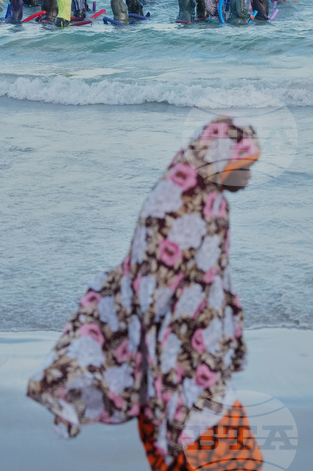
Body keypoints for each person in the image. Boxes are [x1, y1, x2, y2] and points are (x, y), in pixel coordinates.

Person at [27, 116, 263, 471]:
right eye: (244, 163)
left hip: (188, 359)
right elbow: (151, 286)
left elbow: (210, 286)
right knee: (233, 461)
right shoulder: (180, 203)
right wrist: (169, 363)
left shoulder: (204, 199)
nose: (249, 173)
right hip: (178, 362)